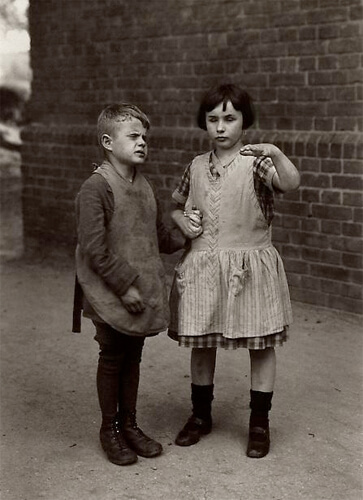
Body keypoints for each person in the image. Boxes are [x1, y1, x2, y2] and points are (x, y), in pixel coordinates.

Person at [168, 83, 300, 458]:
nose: (221, 127)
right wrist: (183, 221)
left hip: (249, 265)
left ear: (244, 121)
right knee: (201, 341)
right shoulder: (195, 165)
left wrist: (275, 152)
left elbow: (290, 183)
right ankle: (200, 416)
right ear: (204, 123)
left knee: (260, 345)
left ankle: (259, 423)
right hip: (204, 268)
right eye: (213, 119)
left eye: (229, 118)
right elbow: (176, 206)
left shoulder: (257, 161)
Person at [73, 103, 184, 466]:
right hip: (110, 290)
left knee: (133, 356)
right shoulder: (97, 187)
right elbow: (94, 248)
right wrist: (124, 287)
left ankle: (130, 424)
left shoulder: (144, 186)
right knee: (112, 356)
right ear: (107, 141)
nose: (142, 143)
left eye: (145, 138)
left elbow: (160, 240)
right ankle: (110, 429)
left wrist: (187, 231)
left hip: (140, 290)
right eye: (133, 136)